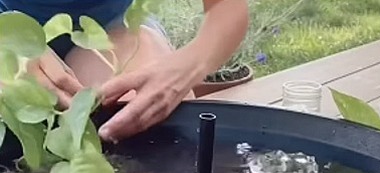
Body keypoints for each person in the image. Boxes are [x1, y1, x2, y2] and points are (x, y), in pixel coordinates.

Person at [0, 0, 249, 142]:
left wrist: (187, 66)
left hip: (112, 29)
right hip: (7, 27)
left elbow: (226, 9)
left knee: (153, 131)